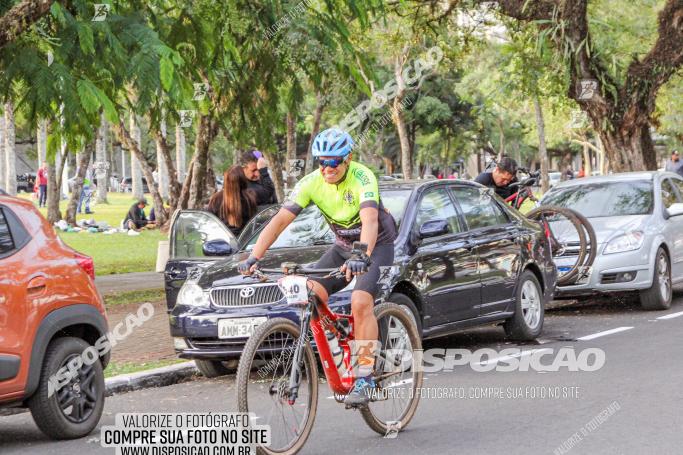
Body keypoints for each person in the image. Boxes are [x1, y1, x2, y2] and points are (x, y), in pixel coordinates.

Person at [238, 128, 397, 408]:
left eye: (334, 162)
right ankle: (340, 341)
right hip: (342, 247)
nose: (327, 168)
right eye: (322, 162)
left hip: (376, 246)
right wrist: (254, 257)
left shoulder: (363, 176)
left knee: (360, 302)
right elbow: (278, 223)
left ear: (347, 159)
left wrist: (361, 255)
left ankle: (365, 376)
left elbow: (370, 222)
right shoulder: (311, 182)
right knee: (308, 290)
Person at [207, 165, 258, 236]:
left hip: (222, 240)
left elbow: (209, 220)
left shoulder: (216, 198)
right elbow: (253, 222)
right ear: (243, 180)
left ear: (226, 181)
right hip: (244, 241)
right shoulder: (249, 197)